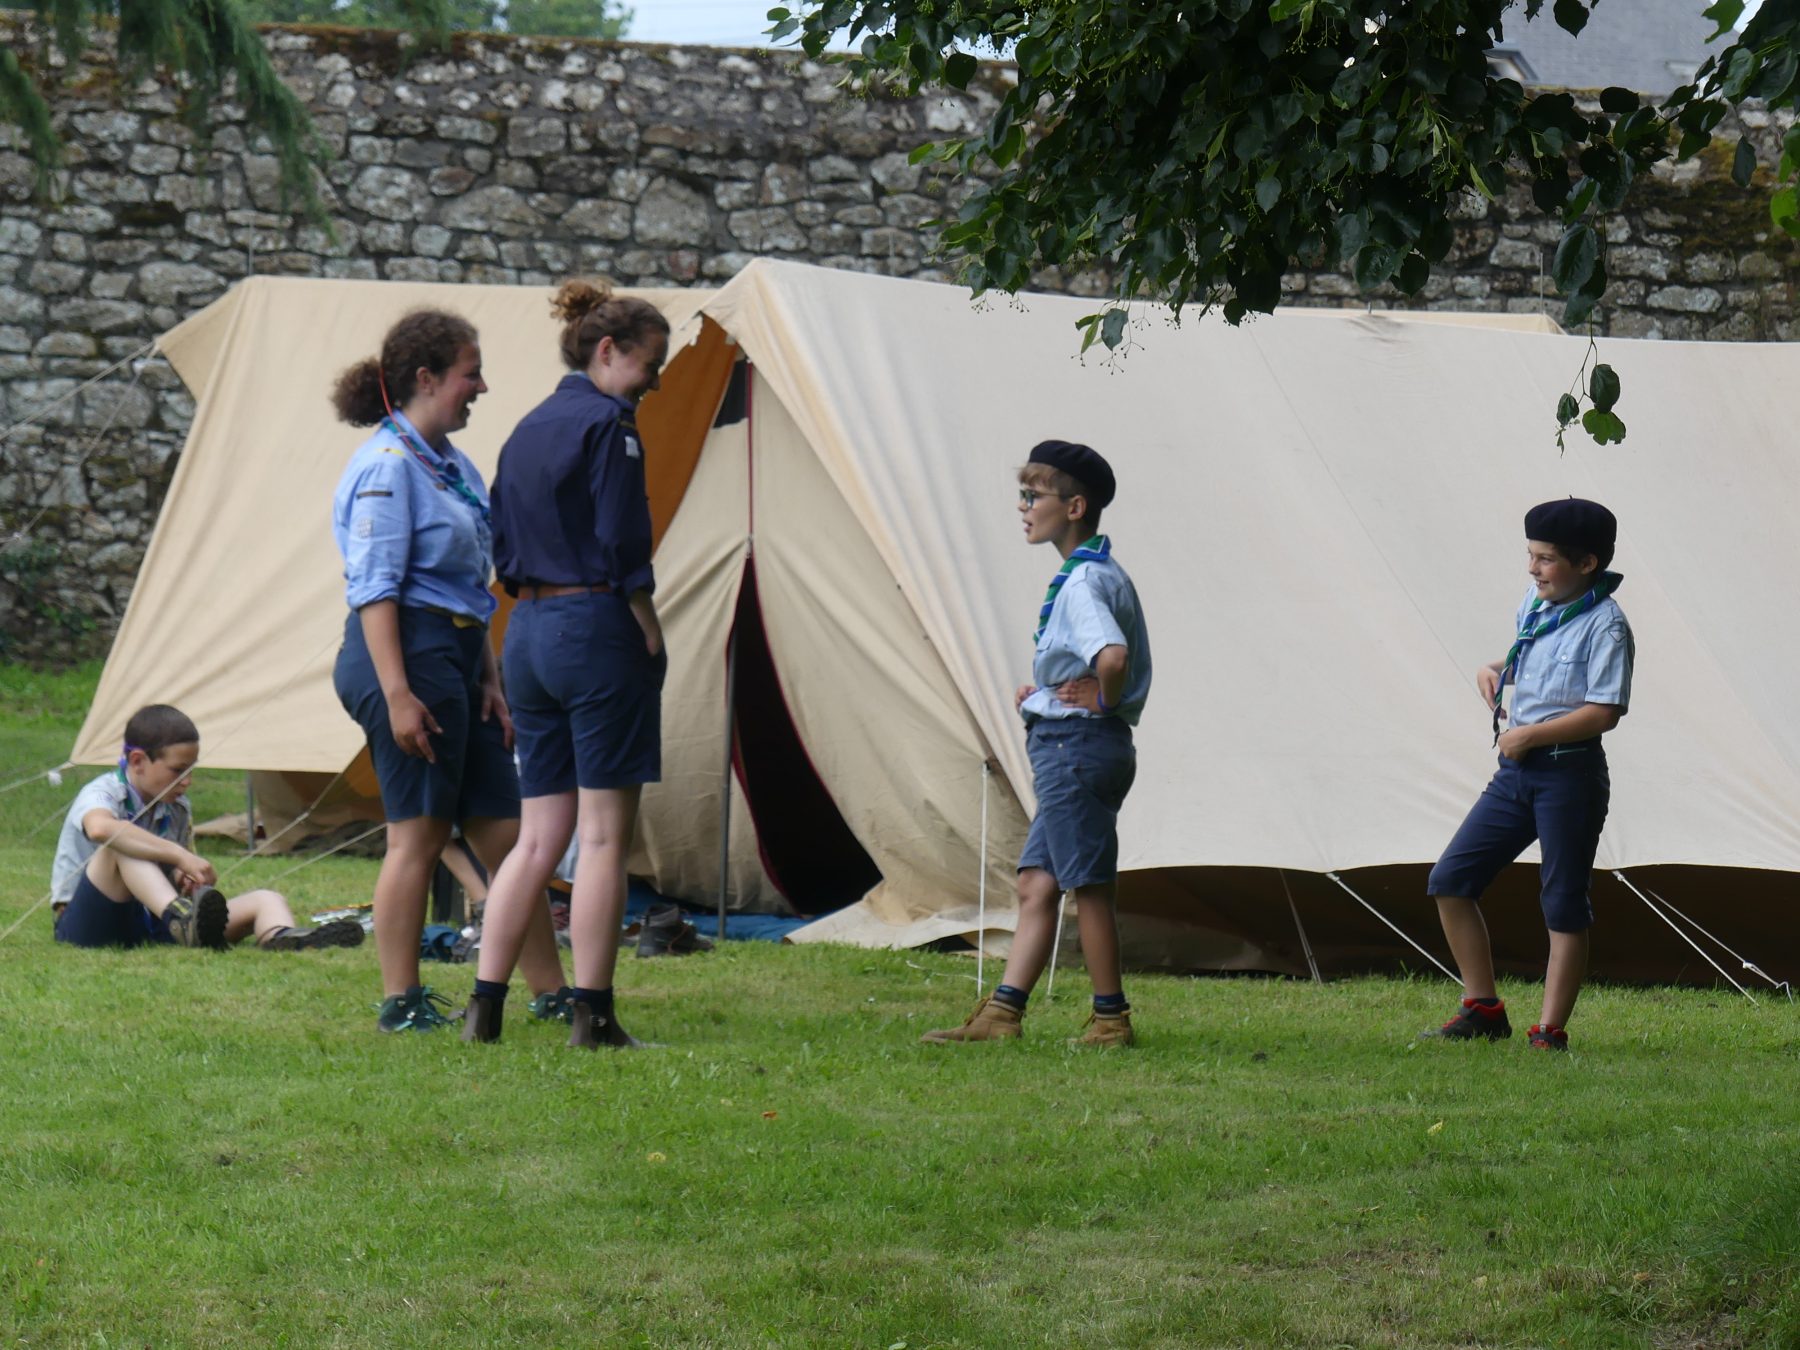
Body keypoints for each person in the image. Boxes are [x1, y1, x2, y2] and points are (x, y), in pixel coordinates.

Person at [330, 308, 569, 1032]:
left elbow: (470, 586)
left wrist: (489, 677)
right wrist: (400, 695)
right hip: (406, 653)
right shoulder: (386, 468)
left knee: (506, 835)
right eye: (472, 372)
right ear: (427, 379)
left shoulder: (451, 465)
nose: (483, 387)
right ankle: (401, 1002)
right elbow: (374, 588)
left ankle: (550, 990)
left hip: (457, 653)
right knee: (420, 834)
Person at [460, 279, 672, 1049]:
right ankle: (595, 1015)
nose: (655, 381)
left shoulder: (525, 427)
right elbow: (623, 539)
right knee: (606, 838)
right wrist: (646, 624)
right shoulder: (611, 425)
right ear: (607, 351)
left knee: (536, 836)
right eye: (651, 363)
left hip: (527, 631)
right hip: (594, 627)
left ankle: (484, 1008)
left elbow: (496, 535)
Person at [922, 440, 1152, 1048]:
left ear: (1075, 506)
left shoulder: (1082, 584)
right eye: (1021, 494)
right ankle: (1002, 1015)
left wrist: (1101, 700)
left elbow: (1113, 656)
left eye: (1035, 495)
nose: (1023, 507)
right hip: (1072, 744)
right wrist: (1048, 689)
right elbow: (1090, 656)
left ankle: (1110, 1019)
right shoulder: (1096, 573)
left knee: (1089, 885)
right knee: (1038, 884)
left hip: (1074, 747)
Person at [1421, 498, 1633, 1052]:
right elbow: (1531, 663)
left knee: (1562, 902)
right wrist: (1495, 669)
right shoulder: (1537, 604)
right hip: (1517, 774)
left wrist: (1530, 735)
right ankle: (1483, 1008)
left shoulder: (1606, 626)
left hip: (1569, 777)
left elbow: (1603, 711)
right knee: (1451, 880)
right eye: (1530, 556)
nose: (1532, 569)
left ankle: (1549, 1031)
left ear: (1586, 564)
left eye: (1544, 559)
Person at [51, 704, 363, 952]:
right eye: (177, 771)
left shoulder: (177, 806)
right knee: (120, 843)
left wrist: (186, 880)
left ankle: (284, 938)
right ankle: (182, 920)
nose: (186, 782)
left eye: (190, 771)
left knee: (266, 898)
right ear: (137, 760)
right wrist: (179, 856)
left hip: (151, 919)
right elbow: (100, 829)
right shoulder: (103, 792)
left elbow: (171, 871)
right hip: (89, 924)